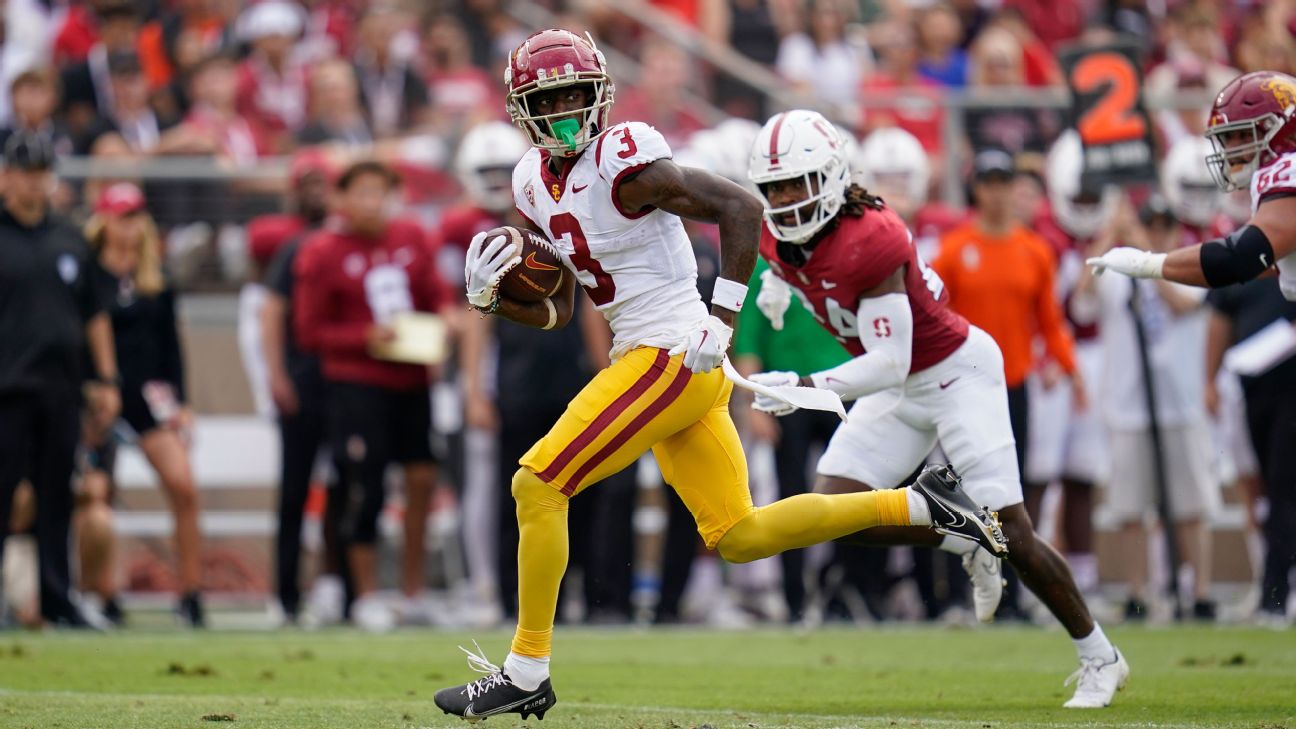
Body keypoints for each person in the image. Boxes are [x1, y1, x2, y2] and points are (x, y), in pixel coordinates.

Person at [432, 30, 1004, 722]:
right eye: (546, 102)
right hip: (648, 352)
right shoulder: (530, 180)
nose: (563, 114)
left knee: (537, 481)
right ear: (522, 111)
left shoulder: (624, 160)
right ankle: (928, 505)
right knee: (741, 534)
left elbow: (742, 208)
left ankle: (526, 667)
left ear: (600, 95)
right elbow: (559, 309)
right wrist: (495, 298)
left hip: (675, 349)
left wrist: (721, 318)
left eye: (573, 97)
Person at [747, 110, 1124, 708]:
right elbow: (785, 264)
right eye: (775, 188)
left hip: (953, 373)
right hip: (900, 385)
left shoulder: (872, 239)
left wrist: (804, 383)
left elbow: (890, 362)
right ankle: (961, 538)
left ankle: (1100, 655)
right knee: (833, 509)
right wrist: (774, 284)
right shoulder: (779, 231)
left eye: (798, 183)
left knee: (1015, 532)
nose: (787, 200)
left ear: (834, 176)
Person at [293, 160, 450, 632]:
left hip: (412, 380)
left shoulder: (412, 238)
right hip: (357, 385)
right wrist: (367, 336)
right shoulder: (323, 251)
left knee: (422, 478)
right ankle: (365, 594)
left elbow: (436, 295)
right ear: (341, 199)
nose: (371, 202)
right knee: (366, 485)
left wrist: (445, 324)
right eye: (360, 192)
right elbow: (309, 332)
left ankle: (413, 591)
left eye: (379, 192)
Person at [0, 131, 120, 628]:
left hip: (62, 390)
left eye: (42, 174)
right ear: (6, 176)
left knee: (56, 496)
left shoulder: (69, 237)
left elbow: (94, 314)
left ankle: (57, 597)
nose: (34, 184)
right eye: (25, 173)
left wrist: (108, 379)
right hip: (6, 389)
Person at [86, 182, 206, 626]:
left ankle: (190, 594)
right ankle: (102, 593)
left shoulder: (156, 279)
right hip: (102, 396)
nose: (130, 227)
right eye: (121, 217)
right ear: (103, 222)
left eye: (136, 217)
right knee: (96, 494)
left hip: (150, 397)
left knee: (184, 485)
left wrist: (184, 401)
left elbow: (171, 346)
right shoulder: (86, 275)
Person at [1088, 70, 1296, 303]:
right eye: (1227, 138)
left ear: (1282, 129)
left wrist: (1149, 264)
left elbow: (1240, 257)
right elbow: (1269, 260)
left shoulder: (1288, 170)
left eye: (1243, 135)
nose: (1230, 149)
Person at [259, 151, 343, 625]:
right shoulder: (294, 247)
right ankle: (285, 593)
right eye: (305, 181)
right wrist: (276, 375)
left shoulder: (347, 242)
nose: (315, 189)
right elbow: (271, 312)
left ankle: (343, 589)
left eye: (322, 180)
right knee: (295, 490)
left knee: (347, 488)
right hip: (305, 380)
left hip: (348, 382)